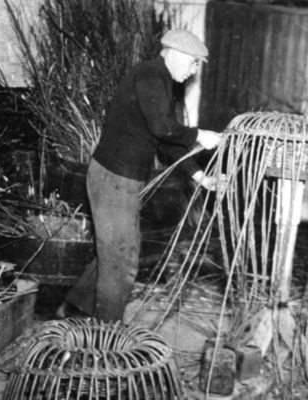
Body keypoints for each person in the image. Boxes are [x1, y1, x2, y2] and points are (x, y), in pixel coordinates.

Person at [58, 29, 224, 322]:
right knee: (122, 260)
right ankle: (105, 337)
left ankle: (75, 308)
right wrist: (201, 134)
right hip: (113, 178)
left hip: (120, 179)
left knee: (115, 251)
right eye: (194, 63)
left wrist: (201, 177)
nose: (194, 71)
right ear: (177, 54)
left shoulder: (160, 82)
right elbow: (163, 128)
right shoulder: (151, 76)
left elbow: (166, 142)